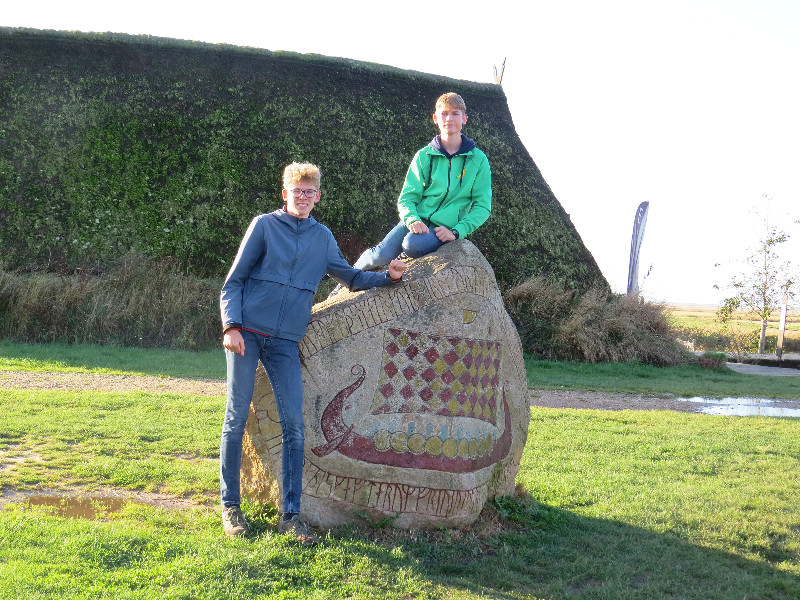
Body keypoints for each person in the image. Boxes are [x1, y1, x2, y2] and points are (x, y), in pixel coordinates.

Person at [218, 162, 407, 544]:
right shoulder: (264, 226)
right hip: (247, 333)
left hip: (286, 341)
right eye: (296, 190)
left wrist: (389, 277)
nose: (302, 197)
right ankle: (231, 507)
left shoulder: (322, 237)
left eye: (309, 192)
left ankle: (291, 516)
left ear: (317, 196)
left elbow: (351, 278)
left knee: (295, 427)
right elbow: (234, 281)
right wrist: (231, 326)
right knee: (236, 417)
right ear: (284, 193)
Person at [334, 92, 491, 291]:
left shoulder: (478, 160)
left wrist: (457, 230)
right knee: (379, 254)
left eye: (455, 113)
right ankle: (346, 282)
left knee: (412, 245)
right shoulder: (424, 156)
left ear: (464, 119)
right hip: (417, 220)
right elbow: (407, 197)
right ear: (435, 118)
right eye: (444, 114)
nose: (449, 118)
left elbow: (482, 206)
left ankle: (396, 266)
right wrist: (412, 219)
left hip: (443, 229)